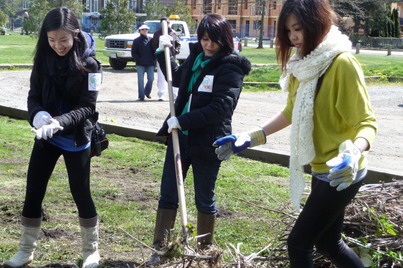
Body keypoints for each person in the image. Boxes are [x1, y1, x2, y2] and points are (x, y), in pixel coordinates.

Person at [213, 0, 377, 267]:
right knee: (328, 242)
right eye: (288, 31)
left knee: (298, 243)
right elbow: (291, 111)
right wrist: (251, 136)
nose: (292, 38)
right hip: (321, 169)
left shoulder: (342, 64)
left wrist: (354, 151)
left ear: (317, 23)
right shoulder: (303, 64)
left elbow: (367, 122)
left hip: (345, 170)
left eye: (298, 29)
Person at [4, 7, 102, 268]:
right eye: (51, 40)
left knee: (80, 192)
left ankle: (91, 250)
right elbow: (33, 96)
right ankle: (25, 251)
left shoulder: (90, 65)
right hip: (46, 136)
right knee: (33, 191)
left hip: (75, 138)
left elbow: (88, 107)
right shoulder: (43, 59)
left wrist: (60, 122)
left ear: (75, 34)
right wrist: (37, 115)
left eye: (63, 40)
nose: (57, 45)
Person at [149, 13, 251, 263]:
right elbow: (175, 76)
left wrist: (182, 120)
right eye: (204, 39)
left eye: (213, 40)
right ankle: (161, 250)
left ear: (224, 39)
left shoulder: (231, 67)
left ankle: (205, 252)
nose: (208, 45)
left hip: (208, 142)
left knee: (204, 198)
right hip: (180, 140)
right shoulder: (196, 58)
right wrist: (163, 50)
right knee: (168, 194)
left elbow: (220, 109)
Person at [151, 17, 180, 101]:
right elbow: (154, 45)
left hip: (172, 58)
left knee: (175, 75)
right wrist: (158, 53)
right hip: (162, 59)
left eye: (167, 22)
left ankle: (175, 95)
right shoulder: (157, 34)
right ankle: (161, 94)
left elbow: (178, 44)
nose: (166, 24)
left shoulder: (173, 33)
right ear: (161, 23)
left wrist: (176, 51)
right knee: (161, 77)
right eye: (164, 22)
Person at [131, 24, 155, 101]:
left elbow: (154, 50)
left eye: (146, 29)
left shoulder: (151, 40)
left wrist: (154, 58)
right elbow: (133, 52)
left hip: (150, 63)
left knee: (151, 78)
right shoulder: (136, 40)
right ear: (140, 30)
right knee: (140, 80)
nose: (145, 30)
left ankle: (147, 92)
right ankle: (141, 96)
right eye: (143, 29)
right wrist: (138, 59)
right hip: (140, 63)